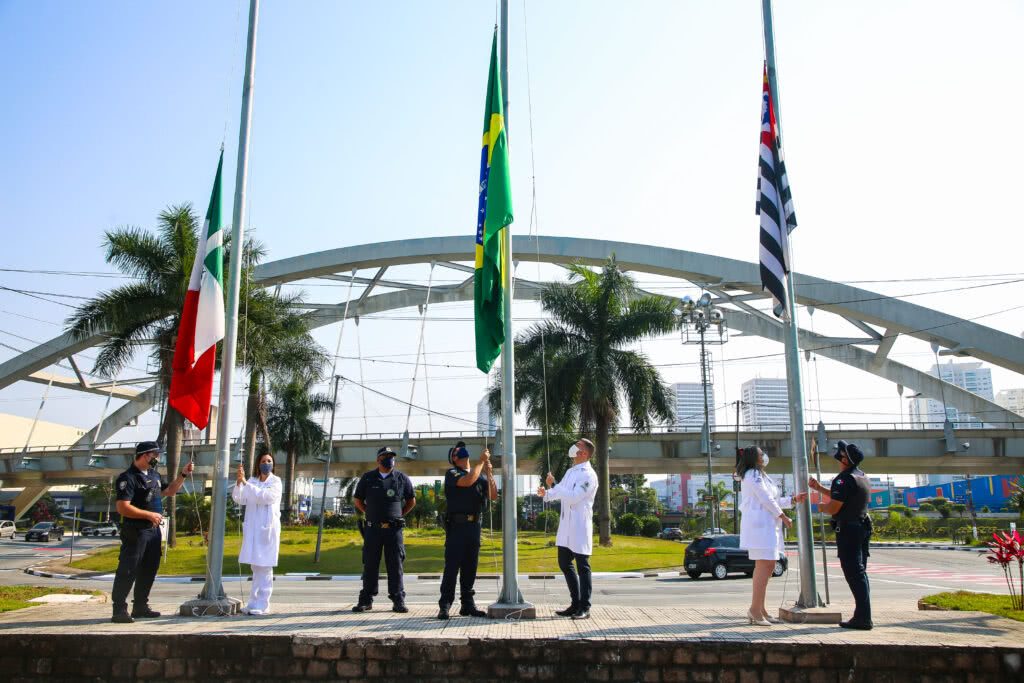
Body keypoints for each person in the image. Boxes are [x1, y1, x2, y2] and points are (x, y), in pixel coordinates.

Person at [110, 440, 194, 623]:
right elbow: (122, 508)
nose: (157, 458)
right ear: (144, 455)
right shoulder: (128, 478)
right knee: (128, 568)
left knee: (149, 568)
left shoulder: (154, 475)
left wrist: (183, 475)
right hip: (136, 530)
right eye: (155, 455)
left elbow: (170, 491)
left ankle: (140, 606)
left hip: (153, 531)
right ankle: (119, 609)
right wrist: (148, 515)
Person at [736, 445, 805, 626]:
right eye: (761, 454)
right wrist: (782, 516)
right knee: (764, 565)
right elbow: (765, 498)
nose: (764, 456)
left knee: (769, 565)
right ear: (754, 458)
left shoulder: (762, 475)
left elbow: (773, 499)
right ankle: (754, 610)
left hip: (768, 526)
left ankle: (761, 608)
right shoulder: (751, 474)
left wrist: (792, 500)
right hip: (759, 527)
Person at [809, 440, 873, 630]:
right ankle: (863, 614)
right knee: (860, 573)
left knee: (854, 573)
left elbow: (834, 506)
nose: (838, 455)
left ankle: (863, 618)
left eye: (841, 453)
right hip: (862, 526)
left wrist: (818, 507)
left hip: (849, 530)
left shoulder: (843, 479)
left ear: (845, 459)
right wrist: (820, 488)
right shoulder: (861, 476)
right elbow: (843, 497)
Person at [537, 438, 599, 620]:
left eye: (578, 446)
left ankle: (585, 607)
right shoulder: (571, 471)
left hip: (580, 525)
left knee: (582, 566)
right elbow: (560, 491)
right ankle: (575, 603)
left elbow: (573, 497)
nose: (574, 447)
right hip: (566, 526)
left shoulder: (589, 475)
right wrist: (546, 493)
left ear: (585, 453)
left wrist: (555, 486)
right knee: (564, 563)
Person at [437, 441, 498, 620]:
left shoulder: (479, 475)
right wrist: (480, 463)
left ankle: (467, 605)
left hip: (474, 526)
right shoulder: (452, 473)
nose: (461, 451)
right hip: (457, 526)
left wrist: (489, 472)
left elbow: (493, 495)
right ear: (454, 459)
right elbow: (467, 481)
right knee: (452, 567)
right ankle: (445, 605)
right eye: (457, 451)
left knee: (470, 566)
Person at [352, 446, 416, 613]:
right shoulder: (368, 478)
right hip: (373, 529)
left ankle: (398, 600)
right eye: (386, 456)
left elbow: (411, 501)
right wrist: (369, 513)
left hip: (393, 530)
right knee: (370, 564)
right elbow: (358, 500)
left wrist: (399, 515)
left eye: (391, 456)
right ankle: (366, 600)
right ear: (378, 460)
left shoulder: (401, 478)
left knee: (395, 565)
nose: (389, 459)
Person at [232, 451, 282, 616]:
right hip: (253, 530)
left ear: (273, 464)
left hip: (268, 531)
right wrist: (239, 483)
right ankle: (253, 603)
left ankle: (263, 604)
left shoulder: (276, 482)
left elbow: (266, 497)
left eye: (269, 461)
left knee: (265, 568)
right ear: (258, 463)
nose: (266, 463)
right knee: (255, 567)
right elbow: (239, 498)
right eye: (263, 460)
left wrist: (246, 483)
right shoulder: (252, 481)